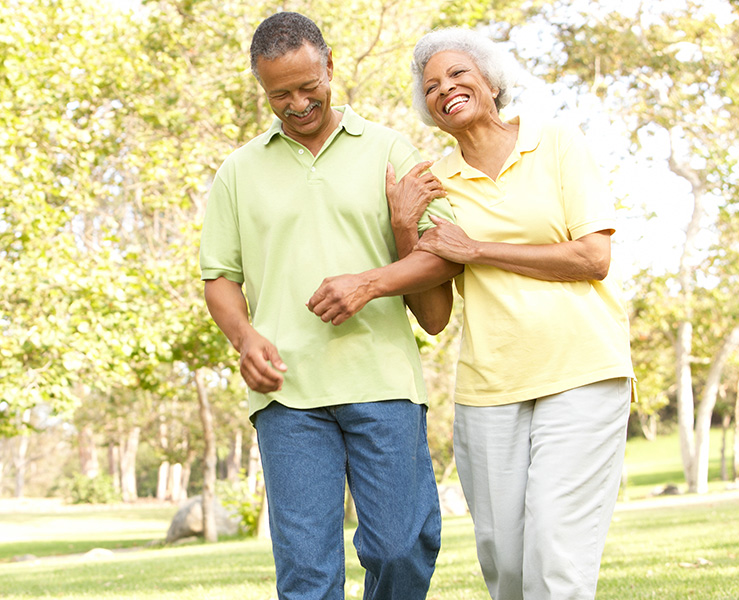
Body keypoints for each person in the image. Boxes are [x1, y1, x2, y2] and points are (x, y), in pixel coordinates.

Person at [199, 12, 461, 600]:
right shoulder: (238, 172)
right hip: (287, 396)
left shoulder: (391, 150)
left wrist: (369, 283)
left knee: (401, 547)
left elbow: (444, 255)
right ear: (261, 88)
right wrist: (245, 339)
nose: (295, 104)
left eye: (307, 88)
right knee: (307, 575)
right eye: (279, 94)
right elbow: (219, 278)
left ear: (330, 68)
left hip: (382, 381)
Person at [386, 28, 637, 600]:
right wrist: (405, 227)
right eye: (431, 87)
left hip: (583, 369)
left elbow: (592, 257)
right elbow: (432, 315)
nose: (445, 89)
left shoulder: (555, 143)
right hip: (490, 384)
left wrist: (477, 251)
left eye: (457, 74)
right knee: (503, 559)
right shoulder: (435, 184)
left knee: (557, 550)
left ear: (491, 81)